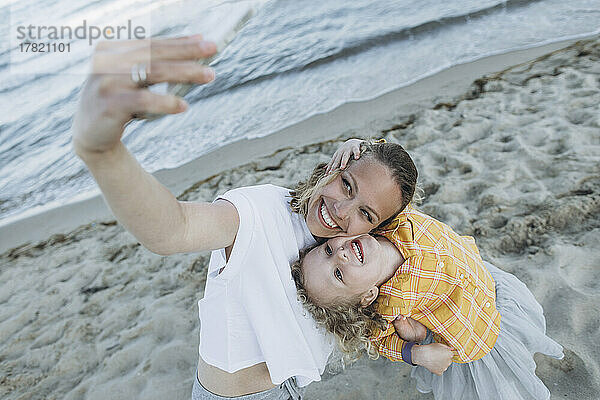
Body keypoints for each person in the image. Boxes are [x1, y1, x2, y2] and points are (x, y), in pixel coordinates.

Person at [71, 35, 419, 399]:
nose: (341, 211)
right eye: (346, 185)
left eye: (365, 212)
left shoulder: (350, 254)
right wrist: (103, 152)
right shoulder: (261, 211)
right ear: (333, 168)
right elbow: (174, 229)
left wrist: (412, 350)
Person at [291, 140, 564, 400]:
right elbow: (378, 340)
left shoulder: (386, 222)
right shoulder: (387, 305)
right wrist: (417, 353)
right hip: (476, 324)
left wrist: (358, 145)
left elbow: (386, 173)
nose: (340, 254)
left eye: (328, 250)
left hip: (487, 280)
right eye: (339, 274)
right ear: (366, 296)